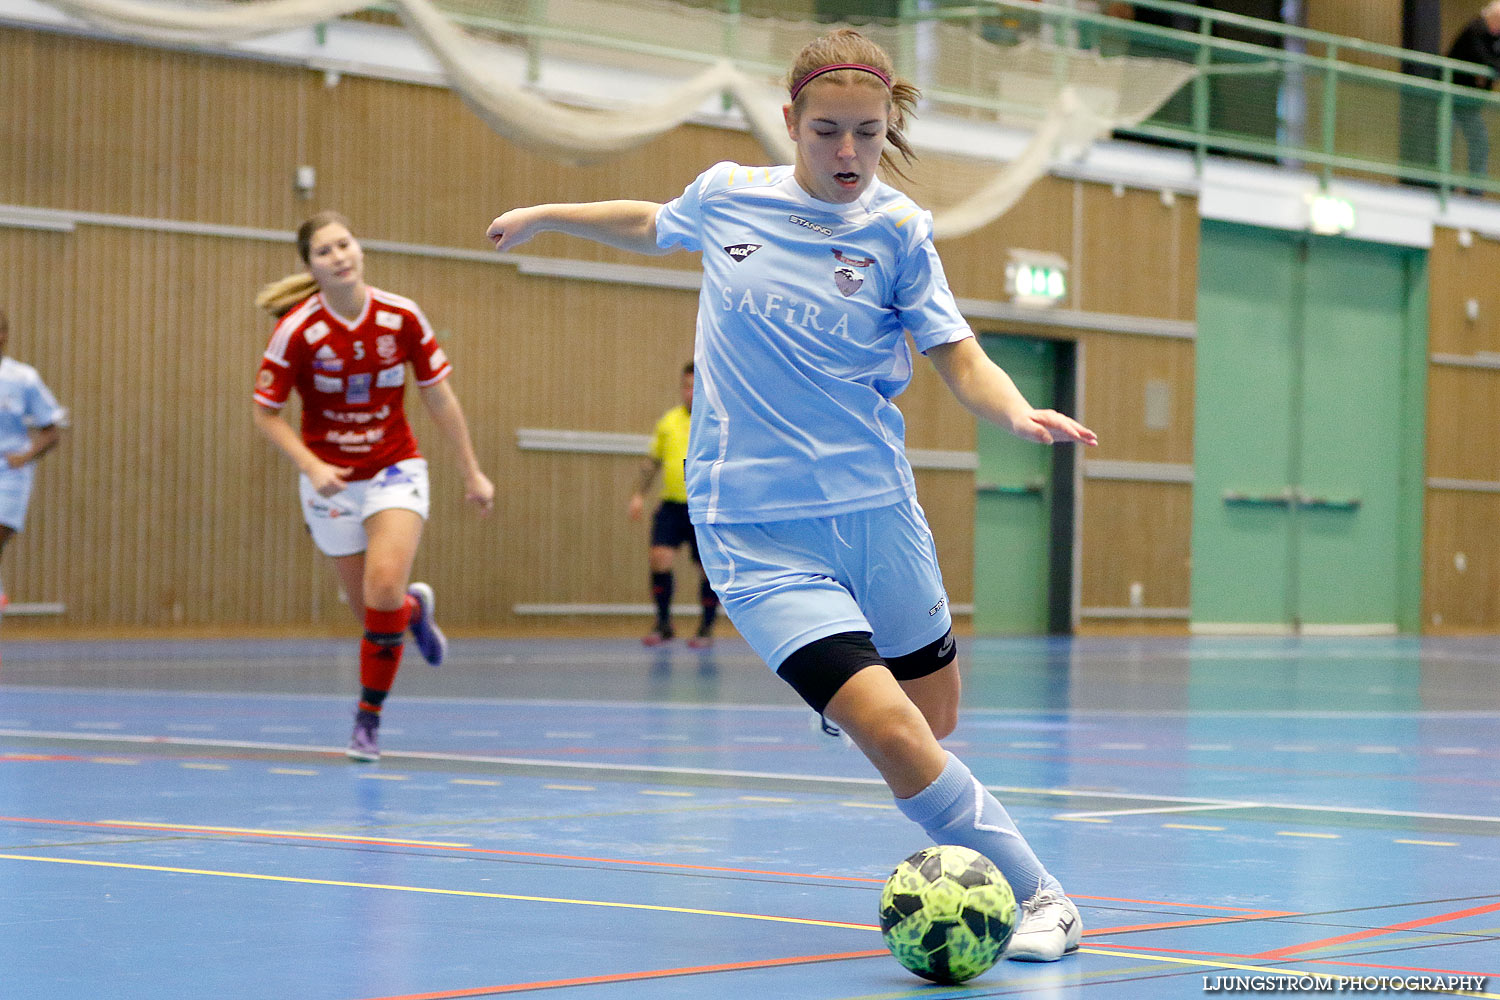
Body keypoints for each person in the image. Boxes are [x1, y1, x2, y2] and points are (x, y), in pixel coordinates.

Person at [488, 29, 1097, 962]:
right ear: (790, 124)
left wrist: (1014, 411)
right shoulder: (729, 196)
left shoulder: (898, 232)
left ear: (887, 125)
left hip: (873, 512)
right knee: (891, 729)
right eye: (826, 132)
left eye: (866, 132)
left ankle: (845, 689)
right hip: (752, 528)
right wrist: (544, 214)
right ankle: (1042, 895)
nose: (847, 153)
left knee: (934, 722)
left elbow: (957, 352)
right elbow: (650, 221)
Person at [253, 212, 494, 763]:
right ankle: (413, 612)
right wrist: (311, 466)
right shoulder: (296, 330)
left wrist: (472, 471)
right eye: (324, 252)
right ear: (311, 266)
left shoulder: (401, 316)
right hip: (332, 482)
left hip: (394, 469)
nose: (339, 256)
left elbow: (440, 398)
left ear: (358, 249)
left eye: (344, 244)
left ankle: (367, 720)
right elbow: (265, 413)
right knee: (373, 614)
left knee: (380, 588)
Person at [627, 361, 719, 648]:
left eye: (696, 387)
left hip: (703, 507)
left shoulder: (715, 422)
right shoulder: (668, 422)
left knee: (707, 568)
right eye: (686, 386)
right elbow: (652, 461)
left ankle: (705, 627)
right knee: (659, 558)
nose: (690, 392)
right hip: (672, 505)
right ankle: (664, 623)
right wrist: (638, 494)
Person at [0, 307, 67, 623]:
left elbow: (51, 431)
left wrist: (25, 456)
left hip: (9, 475)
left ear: (5, 336)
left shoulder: (23, 379)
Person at [1447, 2, 1500, 190]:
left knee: (1480, 141)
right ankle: (1446, 185)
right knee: (1446, 141)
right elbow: (1483, 58)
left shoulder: (1495, 39)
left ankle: (1475, 189)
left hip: (1469, 104)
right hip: (1449, 99)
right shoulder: (1475, 30)